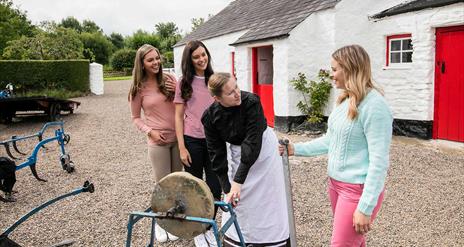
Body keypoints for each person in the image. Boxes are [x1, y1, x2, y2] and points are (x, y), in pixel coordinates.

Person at [280, 44, 393, 246]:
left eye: (334, 69)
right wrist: (296, 149)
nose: (331, 75)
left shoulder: (375, 106)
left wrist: (365, 207)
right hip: (336, 185)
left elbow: (379, 162)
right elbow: (331, 140)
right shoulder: (345, 101)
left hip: (356, 191)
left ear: (349, 68)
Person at [202, 72, 290, 247]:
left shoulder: (251, 102)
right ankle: (239, 238)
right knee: (238, 200)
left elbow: (252, 144)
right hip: (238, 154)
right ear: (217, 98)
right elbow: (216, 155)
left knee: (267, 199)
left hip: (263, 152)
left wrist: (238, 181)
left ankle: (273, 239)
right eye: (230, 92)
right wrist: (228, 188)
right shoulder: (210, 117)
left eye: (236, 87)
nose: (237, 93)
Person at [129, 44, 182, 243]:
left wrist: (177, 89)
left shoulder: (170, 80)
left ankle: (174, 221)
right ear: (142, 63)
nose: (156, 62)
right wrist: (150, 131)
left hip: (178, 139)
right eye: (150, 60)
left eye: (157, 58)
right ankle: (160, 223)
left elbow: (183, 101)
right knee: (162, 185)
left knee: (176, 183)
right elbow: (135, 117)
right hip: (158, 143)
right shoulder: (138, 88)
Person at [174, 40, 222, 247]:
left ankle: (208, 227)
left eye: (204, 55)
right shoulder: (183, 83)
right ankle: (196, 230)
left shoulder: (215, 80)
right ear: (190, 60)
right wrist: (182, 147)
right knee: (193, 187)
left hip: (214, 142)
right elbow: (178, 117)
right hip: (192, 141)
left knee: (214, 187)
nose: (202, 59)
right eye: (196, 57)